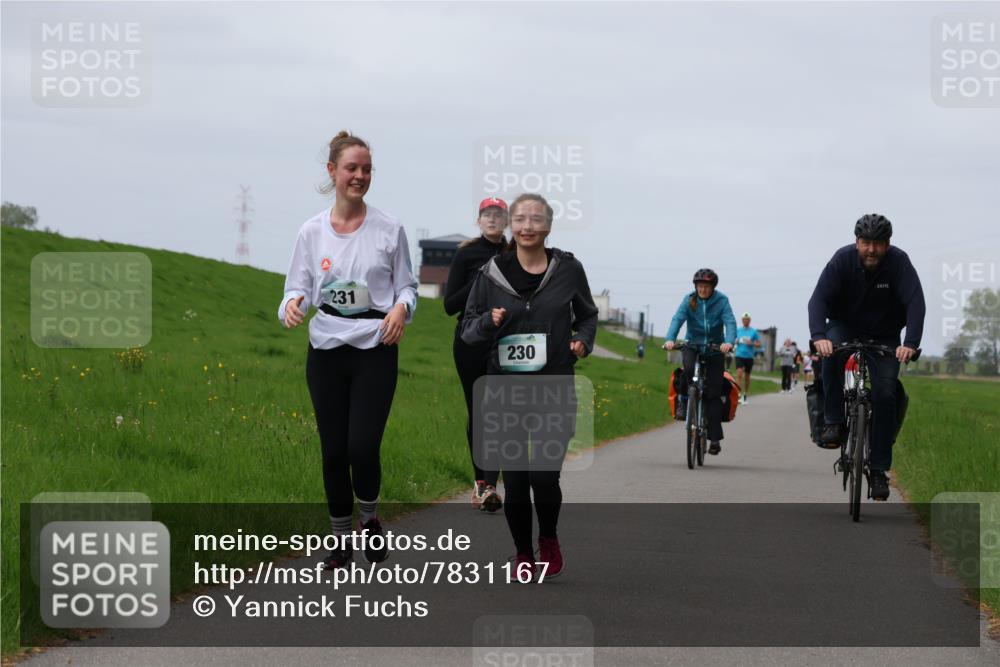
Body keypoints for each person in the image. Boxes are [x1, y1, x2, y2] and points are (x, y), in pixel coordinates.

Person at [279, 131, 418, 569]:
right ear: (332, 172)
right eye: (351, 168)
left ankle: (371, 519)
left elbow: (408, 287)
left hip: (375, 345)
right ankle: (340, 540)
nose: (359, 176)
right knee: (333, 451)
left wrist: (400, 309)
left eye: (366, 169)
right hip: (326, 349)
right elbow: (296, 285)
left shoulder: (389, 229)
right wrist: (291, 304)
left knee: (362, 447)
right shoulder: (311, 231)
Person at [461, 193, 598, 581]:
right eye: (519, 219)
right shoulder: (491, 274)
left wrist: (582, 341)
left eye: (535, 219)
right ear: (510, 225)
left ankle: (549, 539)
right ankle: (523, 552)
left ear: (548, 227)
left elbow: (588, 315)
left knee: (543, 476)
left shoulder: (568, 269)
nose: (526, 226)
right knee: (517, 481)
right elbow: (468, 330)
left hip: (554, 386)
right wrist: (488, 321)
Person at [808, 213, 925, 501]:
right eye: (866, 243)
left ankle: (878, 470)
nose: (871, 249)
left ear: (887, 244)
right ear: (857, 241)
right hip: (843, 326)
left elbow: (915, 303)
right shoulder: (841, 260)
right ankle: (833, 421)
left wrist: (910, 343)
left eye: (878, 243)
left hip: (884, 334)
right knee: (831, 356)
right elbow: (818, 299)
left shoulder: (899, 263)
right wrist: (819, 336)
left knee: (885, 394)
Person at [443, 197, 508, 513]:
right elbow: (448, 305)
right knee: (479, 411)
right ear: (479, 220)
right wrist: (481, 281)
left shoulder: (515, 253)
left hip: (505, 341)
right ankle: (481, 482)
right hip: (470, 340)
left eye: (499, 214)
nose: (493, 219)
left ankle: (490, 485)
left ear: (507, 220)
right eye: (487, 214)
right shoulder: (466, 254)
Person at [662, 268, 737, 455]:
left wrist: (728, 342)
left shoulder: (722, 301)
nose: (702, 290)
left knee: (713, 393)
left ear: (713, 287)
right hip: (692, 345)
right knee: (687, 371)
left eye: (706, 287)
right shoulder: (689, 300)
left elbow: (730, 322)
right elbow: (677, 319)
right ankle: (685, 400)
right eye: (700, 286)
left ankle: (714, 440)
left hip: (714, 350)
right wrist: (670, 339)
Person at [733, 312, 760, 404]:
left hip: (749, 356)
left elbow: (759, 344)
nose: (745, 321)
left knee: (747, 377)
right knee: (739, 373)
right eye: (744, 320)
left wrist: (752, 343)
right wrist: (735, 341)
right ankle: (738, 394)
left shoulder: (753, 331)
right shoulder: (738, 330)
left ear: (749, 321)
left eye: (747, 320)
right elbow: (733, 340)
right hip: (739, 355)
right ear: (742, 321)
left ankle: (745, 395)